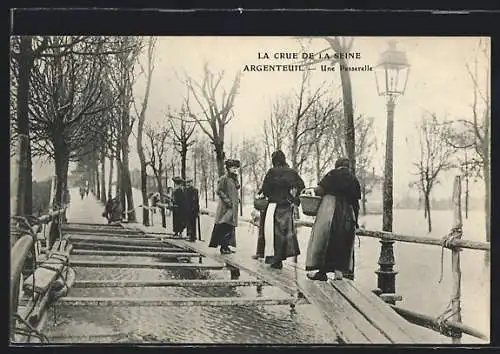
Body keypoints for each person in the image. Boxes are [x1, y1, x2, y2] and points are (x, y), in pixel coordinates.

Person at [305, 157, 361, 281]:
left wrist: (311, 192)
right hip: (347, 213)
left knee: (324, 240)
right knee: (342, 242)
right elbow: (356, 203)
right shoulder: (353, 179)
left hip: (330, 210)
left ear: (337, 165)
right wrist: (355, 221)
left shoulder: (332, 175)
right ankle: (338, 272)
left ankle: (322, 272)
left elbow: (320, 190)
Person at [259, 150, 305, 269]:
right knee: (285, 232)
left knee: (273, 233)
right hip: (286, 205)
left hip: (274, 205)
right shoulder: (291, 172)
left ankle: (275, 260)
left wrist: (269, 194)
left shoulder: (272, 172)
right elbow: (301, 186)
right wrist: (295, 199)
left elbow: (265, 189)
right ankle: (281, 258)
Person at [209, 159, 241, 254]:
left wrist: (236, 178)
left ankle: (226, 246)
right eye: (233, 167)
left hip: (233, 207)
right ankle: (223, 247)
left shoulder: (233, 178)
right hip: (225, 207)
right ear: (228, 168)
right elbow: (219, 190)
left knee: (230, 226)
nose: (235, 169)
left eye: (236, 167)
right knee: (224, 225)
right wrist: (227, 201)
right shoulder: (224, 178)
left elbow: (236, 188)